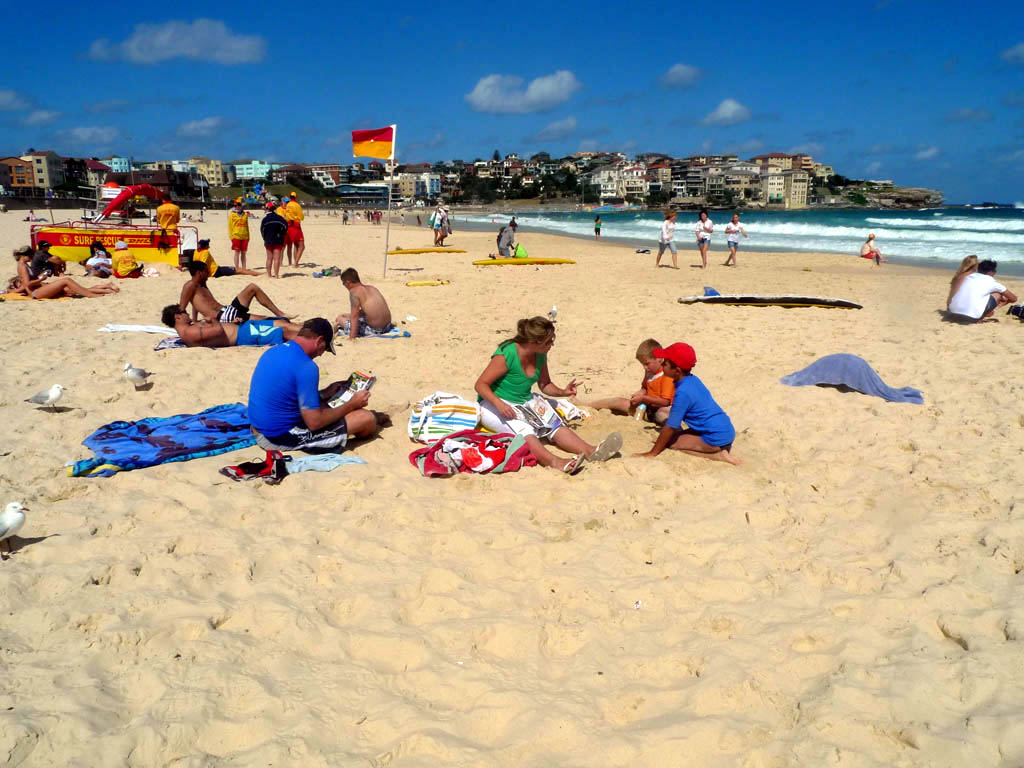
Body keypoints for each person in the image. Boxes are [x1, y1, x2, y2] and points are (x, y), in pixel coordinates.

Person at [474, 316, 623, 474]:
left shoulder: (539, 354)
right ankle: (553, 462)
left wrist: (563, 392)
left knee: (554, 424)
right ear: (533, 342)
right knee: (523, 429)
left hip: (524, 400)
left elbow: (544, 384)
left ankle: (590, 451)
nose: (552, 345)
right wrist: (499, 404)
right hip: (494, 402)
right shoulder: (507, 354)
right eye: (548, 341)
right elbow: (480, 385)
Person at [247, 318, 383, 453]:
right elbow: (314, 422)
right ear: (318, 341)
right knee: (366, 419)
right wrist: (352, 404)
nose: (320, 354)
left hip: (258, 427)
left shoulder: (274, 351)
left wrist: (324, 393)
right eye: (323, 349)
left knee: (327, 405)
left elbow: (286, 394)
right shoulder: (307, 367)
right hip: (277, 437)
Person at [635, 342, 740, 465]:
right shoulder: (693, 380)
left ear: (677, 370)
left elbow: (670, 427)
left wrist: (652, 453)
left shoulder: (683, 393)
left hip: (715, 437)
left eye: (665, 363)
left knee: (671, 444)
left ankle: (718, 455)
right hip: (725, 429)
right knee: (672, 437)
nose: (662, 365)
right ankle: (719, 448)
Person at [585, 338, 674, 424]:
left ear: (659, 359)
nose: (645, 367)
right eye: (642, 364)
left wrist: (643, 398)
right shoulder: (649, 371)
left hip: (661, 408)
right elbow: (645, 387)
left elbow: (665, 402)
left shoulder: (666, 374)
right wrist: (641, 393)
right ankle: (587, 405)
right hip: (646, 407)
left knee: (663, 414)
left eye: (647, 364)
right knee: (618, 401)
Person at [178, 260, 289, 323]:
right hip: (223, 317)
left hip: (228, 310)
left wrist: (196, 320)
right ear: (199, 272)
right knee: (265, 320)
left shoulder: (202, 283)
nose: (209, 273)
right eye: (207, 271)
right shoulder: (190, 285)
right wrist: (191, 323)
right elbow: (181, 308)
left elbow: (196, 304)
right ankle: (282, 319)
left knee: (252, 287)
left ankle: (280, 314)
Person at [161, 305, 300, 348]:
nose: (187, 313)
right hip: (244, 335)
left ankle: (315, 327)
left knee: (284, 323)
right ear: (177, 317)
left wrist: (232, 323)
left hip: (243, 328)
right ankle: (316, 335)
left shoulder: (190, 328)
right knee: (284, 331)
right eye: (184, 312)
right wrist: (213, 320)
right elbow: (216, 331)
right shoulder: (189, 333)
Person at [10, 245, 119, 299]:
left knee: (74, 289)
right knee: (66, 280)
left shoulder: (23, 265)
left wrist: (40, 278)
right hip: (35, 293)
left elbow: (25, 283)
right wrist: (41, 279)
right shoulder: (22, 266)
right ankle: (92, 295)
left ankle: (106, 288)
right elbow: (27, 284)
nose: (32, 258)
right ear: (26, 256)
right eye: (31, 256)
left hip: (39, 288)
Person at [948, 259, 1018, 322]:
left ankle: (986, 312)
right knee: (997, 294)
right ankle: (982, 317)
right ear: (990, 272)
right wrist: (1003, 303)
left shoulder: (969, 277)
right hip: (972, 317)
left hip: (953, 313)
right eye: (994, 271)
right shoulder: (992, 282)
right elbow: (1014, 298)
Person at [335, 267, 394, 338]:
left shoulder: (354, 292)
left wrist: (352, 337)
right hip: (387, 326)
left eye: (343, 283)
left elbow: (354, 317)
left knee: (339, 319)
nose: (344, 285)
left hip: (376, 330)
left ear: (348, 282)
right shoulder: (372, 288)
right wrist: (349, 315)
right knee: (347, 315)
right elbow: (370, 309)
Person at [192, 239, 261, 277]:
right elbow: (202, 264)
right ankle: (260, 274)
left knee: (238, 272)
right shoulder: (205, 252)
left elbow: (196, 263)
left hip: (213, 272)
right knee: (239, 270)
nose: (209, 247)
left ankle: (255, 273)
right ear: (205, 246)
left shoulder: (196, 251)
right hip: (215, 271)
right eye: (208, 245)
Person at [260, 201, 288, 278]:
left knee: (269, 258)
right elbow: (285, 226)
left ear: (267, 209)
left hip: (268, 240)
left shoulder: (265, 219)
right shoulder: (279, 217)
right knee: (276, 258)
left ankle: (269, 275)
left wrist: (264, 238)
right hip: (278, 240)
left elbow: (262, 230)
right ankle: (276, 275)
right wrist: (282, 234)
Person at [283, 191, 305, 267]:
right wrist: (297, 217)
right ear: (296, 197)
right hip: (295, 226)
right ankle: (295, 263)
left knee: (296, 245)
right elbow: (302, 217)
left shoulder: (288, 205)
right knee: (302, 246)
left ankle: (296, 263)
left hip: (289, 226)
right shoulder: (297, 205)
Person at [228, 199, 251, 270]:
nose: (237, 207)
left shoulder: (245, 214)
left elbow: (247, 226)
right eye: (235, 205)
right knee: (237, 252)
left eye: (238, 205)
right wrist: (231, 237)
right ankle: (237, 268)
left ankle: (244, 268)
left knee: (243, 253)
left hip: (245, 236)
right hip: (236, 236)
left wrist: (248, 236)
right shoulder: (232, 214)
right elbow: (230, 226)